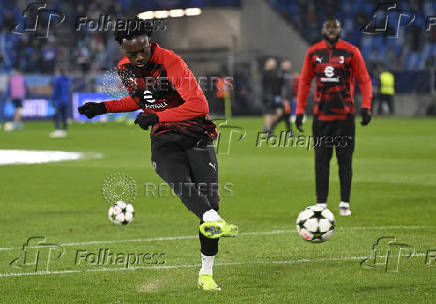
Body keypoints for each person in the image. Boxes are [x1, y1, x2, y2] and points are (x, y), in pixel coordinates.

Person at [77, 16, 238, 291]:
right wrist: (104, 107)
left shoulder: (170, 62)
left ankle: (206, 272)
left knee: (210, 201)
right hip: (164, 139)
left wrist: (157, 117)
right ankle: (211, 219)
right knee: (178, 182)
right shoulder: (125, 68)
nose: (139, 57)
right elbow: (140, 101)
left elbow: (198, 105)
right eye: (131, 53)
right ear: (123, 50)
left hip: (196, 134)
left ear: (149, 41)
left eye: (142, 50)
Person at [295, 18, 372, 216]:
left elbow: (364, 79)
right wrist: (300, 110)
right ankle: (321, 203)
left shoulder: (351, 51)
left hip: (345, 117)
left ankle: (344, 202)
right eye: (328, 27)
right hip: (321, 117)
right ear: (322, 30)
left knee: (345, 160)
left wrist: (366, 106)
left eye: (334, 27)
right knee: (321, 161)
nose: (331, 31)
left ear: (340, 30)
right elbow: (304, 82)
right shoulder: (313, 52)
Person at [271, 60, 293, 136]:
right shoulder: (280, 74)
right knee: (282, 115)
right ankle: (269, 129)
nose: (289, 65)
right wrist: (282, 99)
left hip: (287, 99)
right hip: (283, 99)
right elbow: (279, 88)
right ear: (283, 65)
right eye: (287, 64)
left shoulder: (287, 73)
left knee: (286, 115)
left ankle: (289, 132)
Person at [261, 57, 281, 136]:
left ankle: (266, 127)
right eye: (272, 62)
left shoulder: (275, 72)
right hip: (267, 96)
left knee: (278, 113)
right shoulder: (265, 72)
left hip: (275, 96)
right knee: (269, 113)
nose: (274, 64)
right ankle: (268, 132)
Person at [50, 67, 71, 138]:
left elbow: (56, 90)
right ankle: (64, 130)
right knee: (64, 116)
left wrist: (53, 99)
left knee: (57, 115)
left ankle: (57, 130)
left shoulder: (58, 79)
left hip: (59, 100)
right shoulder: (68, 79)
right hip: (66, 100)